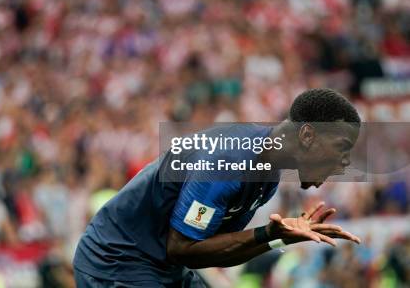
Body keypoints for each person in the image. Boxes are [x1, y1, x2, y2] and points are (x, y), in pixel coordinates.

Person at [73, 88, 363, 287]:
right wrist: (266, 235)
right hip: (115, 259)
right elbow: (183, 248)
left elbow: (213, 251)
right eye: (342, 147)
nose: (346, 160)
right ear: (308, 135)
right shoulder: (227, 161)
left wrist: (277, 238)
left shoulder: (268, 175)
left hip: (162, 264)